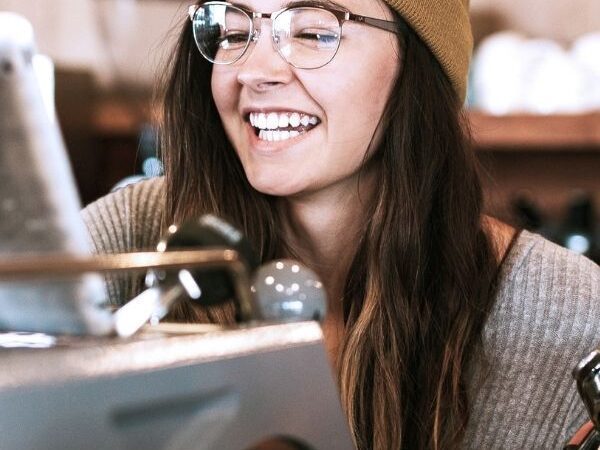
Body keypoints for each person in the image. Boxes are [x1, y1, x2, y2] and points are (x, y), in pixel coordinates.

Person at [82, 0, 600, 448]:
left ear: (418, 61)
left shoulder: (570, 314)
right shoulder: (124, 241)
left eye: (313, 32)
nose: (253, 71)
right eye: (235, 30)